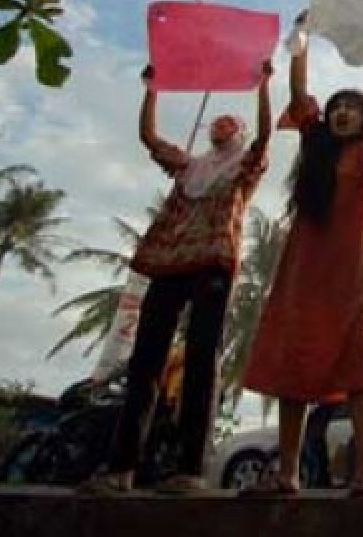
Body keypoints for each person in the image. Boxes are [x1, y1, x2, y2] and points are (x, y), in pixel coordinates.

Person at [81, 59, 274, 495]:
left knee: (202, 361)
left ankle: (191, 470)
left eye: (230, 121)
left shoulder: (245, 168)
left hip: (212, 264)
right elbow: (149, 137)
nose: (221, 125)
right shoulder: (190, 168)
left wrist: (264, 86)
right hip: (167, 265)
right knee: (146, 360)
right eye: (217, 122)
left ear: (239, 134)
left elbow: (265, 136)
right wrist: (153, 88)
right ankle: (121, 467)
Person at [243, 30, 363, 497]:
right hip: (303, 272)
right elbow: (298, 95)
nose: (342, 113)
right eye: (337, 106)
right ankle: (288, 473)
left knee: (358, 368)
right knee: (295, 365)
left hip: (353, 274)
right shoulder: (314, 145)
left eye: (352, 107)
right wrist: (300, 44)